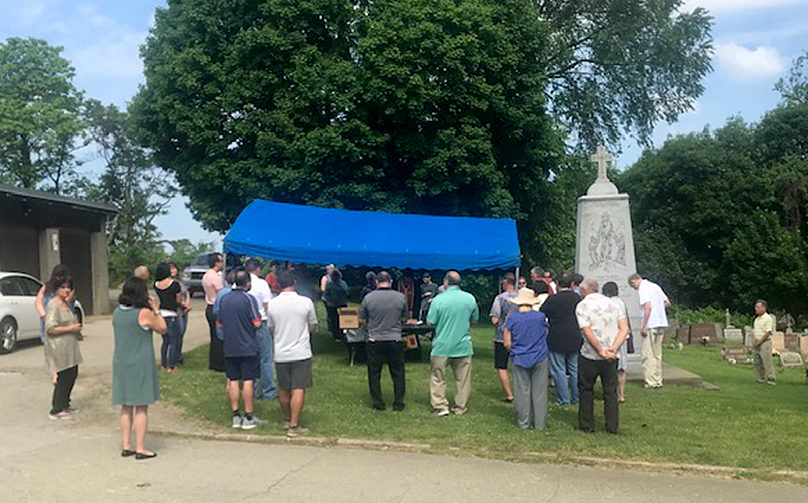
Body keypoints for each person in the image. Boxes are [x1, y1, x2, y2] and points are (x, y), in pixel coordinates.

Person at [112, 277, 166, 460]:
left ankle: (127, 444)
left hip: (121, 361)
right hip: (140, 362)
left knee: (126, 406)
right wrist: (156, 309)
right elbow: (163, 328)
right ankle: (141, 447)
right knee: (141, 406)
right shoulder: (144, 313)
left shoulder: (117, 313)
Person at [266, 270, 318, 438]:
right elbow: (312, 325)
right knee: (298, 387)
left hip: (281, 351)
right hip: (300, 351)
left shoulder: (273, 304)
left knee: (283, 388)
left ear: (278, 284)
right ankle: (294, 425)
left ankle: (286, 419)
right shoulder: (305, 302)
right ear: (294, 284)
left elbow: (271, 329)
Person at [576, 278, 629, 434]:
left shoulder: (583, 305)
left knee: (586, 390)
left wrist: (600, 349)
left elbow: (586, 330)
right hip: (611, 356)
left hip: (590, 355)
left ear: (584, 290)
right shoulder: (614, 304)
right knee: (610, 392)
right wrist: (612, 348)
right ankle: (612, 426)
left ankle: (587, 424)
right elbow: (624, 328)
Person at [426, 271, 479, 416]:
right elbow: (474, 320)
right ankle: (460, 406)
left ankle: (440, 405)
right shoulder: (470, 298)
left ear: (445, 282)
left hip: (442, 345)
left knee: (438, 377)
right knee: (463, 379)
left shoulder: (438, 300)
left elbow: (431, 322)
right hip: (463, 345)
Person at [218, 270, 263, 430]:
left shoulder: (224, 299)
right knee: (248, 381)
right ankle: (249, 416)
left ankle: (236, 415)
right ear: (248, 283)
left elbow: (219, 323)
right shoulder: (248, 299)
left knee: (234, 381)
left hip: (230, 346)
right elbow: (257, 322)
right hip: (248, 346)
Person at [359, 271, 408, 411]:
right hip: (395, 339)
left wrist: (370, 327)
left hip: (375, 339)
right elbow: (404, 318)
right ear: (391, 281)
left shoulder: (368, 298)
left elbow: (362, 319)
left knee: (374, 373)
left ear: (376, 282)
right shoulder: (400, 297)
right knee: (398, 372)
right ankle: (398, 403)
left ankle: (378, 403)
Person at [503, 288, 550, 429]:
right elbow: (546, 332)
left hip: (519, 356)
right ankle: (540, 424)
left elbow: (507, 342)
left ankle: (523, 422)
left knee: (522, 390)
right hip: (540, 356)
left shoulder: (512, 319)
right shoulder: (540, 317)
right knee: (540, 391)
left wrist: (513, 349)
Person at [44, 277, 83, 420]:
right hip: (59, 346)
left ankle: (65, 403)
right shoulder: (53, 305)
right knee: (64, 376)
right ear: (56, 288)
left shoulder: (66, 304)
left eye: (68, 287)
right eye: (63, 287)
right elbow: (50, 328)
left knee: (72, 373)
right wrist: (70, 328)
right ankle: (56, 408)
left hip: (70, 345)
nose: (66, 290)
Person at [540, 273, 582, 406]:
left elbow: (543, 311)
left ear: (557, 284)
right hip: (575, 335)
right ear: (571, 284)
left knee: (559, 369)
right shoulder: (578, 298)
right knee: (575, 369)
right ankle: (576, 397)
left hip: (557, 336)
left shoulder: (553, 299)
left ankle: (564, 399)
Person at [628, 273, 670, 389]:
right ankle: (658, 380)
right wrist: (659, 310)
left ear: (635, 281)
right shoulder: (655, 286)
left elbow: (648, 306)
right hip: (661, 323)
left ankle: (650, 381)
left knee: (648, 354)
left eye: (633, 286)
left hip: (651, 324)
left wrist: (644, 326)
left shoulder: (643, 288)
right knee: (657, 354)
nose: (634, 288)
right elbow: (667, 302)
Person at [245, 258, 276, 400]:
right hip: (261, 322)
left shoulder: (237, 283)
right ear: (257, 269)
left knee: (251, 359)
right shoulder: (262, 284)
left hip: (245, 324)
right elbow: (267, 305)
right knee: (266, 359)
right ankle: (268, 390)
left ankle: (253, 389)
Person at [489, 275, 518, 402]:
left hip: (502, 337)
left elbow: (494, 319)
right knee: (518, 366)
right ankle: (520, 392)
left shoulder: (500, 298)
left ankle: (509, 394)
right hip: (519, 337)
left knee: (502, 367)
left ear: (505, 284)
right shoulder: (521, 297)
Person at [602, 282, 631, 402]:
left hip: (611, 338)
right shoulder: (621, 302)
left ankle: (611, 393)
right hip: (622, 337)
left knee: (610, 367)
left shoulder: (607, 303)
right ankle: (621, 394)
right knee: (621, 368)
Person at [154, 263, 182, 372]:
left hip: (161, 313)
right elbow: (178, 300)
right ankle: (172, 365)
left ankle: (163, 364)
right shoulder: (175, 284)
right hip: (172, 313)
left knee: (165, 341)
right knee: (174, 340)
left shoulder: (156, 284)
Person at [36, 264, 72, 346]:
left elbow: (38, 301)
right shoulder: (66, 287)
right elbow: (67, 301)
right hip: (59, 321)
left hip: (47, 320)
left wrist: (43, 314)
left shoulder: (47, 286)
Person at [203, 253, 225, 372]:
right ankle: (219, 363)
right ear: (216, 262)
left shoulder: (206, 275)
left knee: (214, 336)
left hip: (209, 306)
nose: (222, 263)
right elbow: (221, 292)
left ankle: (214, 362)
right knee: (219, 337)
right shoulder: (214, 277)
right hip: (215, 306)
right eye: (221, 261)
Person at [168, 263, 191, 364]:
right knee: (178, 333)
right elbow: (175, 298)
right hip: (176, 309)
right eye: (170, 269)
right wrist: (184, 305)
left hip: (184, 310)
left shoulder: (181, 282)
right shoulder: (169, 283)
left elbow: (186, 292)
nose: (173, 270)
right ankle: (174, 356)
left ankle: (179, 354)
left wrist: (187, 303)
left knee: (182, 333)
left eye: (174, 268)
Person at [752, 299, 776, 385]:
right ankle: (760, 378)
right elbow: (755, 331)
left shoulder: (767, 318)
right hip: (757, 341)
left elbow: (768, 332)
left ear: (764, 308)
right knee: (757, 362)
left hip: (765, 342)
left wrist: (760, 342)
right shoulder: (757, 319)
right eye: (756, 307)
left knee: (766, 361)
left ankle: (770, 378)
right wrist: (754, 341)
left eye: (758, 307)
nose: (756, 309)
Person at [324, 268, 349, 340]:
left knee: (342, 319)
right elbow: (326, 295)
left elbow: (346, 292)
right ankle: (336, 335)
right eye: (334, 276)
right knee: (334, 320)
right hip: (332, 305)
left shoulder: (343, 283)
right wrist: (331, 300)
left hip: (342, 303)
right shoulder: (329, 284)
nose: (336, 277)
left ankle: (342, 333)